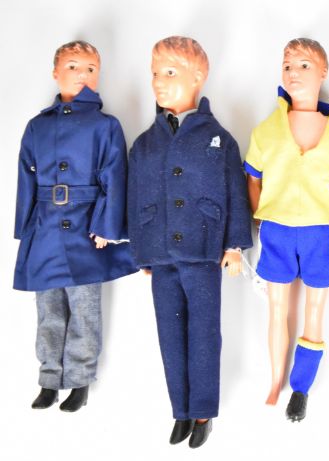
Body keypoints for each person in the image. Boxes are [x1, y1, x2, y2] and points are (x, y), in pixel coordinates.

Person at [127, 36, 252, 448]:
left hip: (203, 248)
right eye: (154, 74)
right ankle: (179, 410)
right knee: (169, 333)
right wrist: (141, 251)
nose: (159, 82)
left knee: (204, 333)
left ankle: (202, 411)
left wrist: (234, 245)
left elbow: (234, 190)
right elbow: (135, 196)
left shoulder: (219, 138)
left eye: (169, 73)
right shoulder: (145, 144)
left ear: (198, 77)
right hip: (160, 251)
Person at [14, 40, 137, 413]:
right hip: (45, 229)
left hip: (86, 229)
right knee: (48, 308)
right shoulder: (37, 126)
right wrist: (26, 229)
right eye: (72, 66)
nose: (82, 74)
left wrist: (107, 227)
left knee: (84, 308)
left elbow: (114, 177)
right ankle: (49, 378)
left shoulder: (105, 126)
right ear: (56, 73)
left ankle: (80, 380)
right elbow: (26, 178)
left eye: (90, 69)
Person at [244, 38, 329, 422]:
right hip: (276, 230)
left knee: (314, 309)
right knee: (276, 308)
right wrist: (258, 216)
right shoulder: (268, 129)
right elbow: (253, 178)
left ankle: (301, 387)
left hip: (320, 233)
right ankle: (275, 379)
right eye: (288, 66)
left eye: (304, 65)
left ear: (323, 72)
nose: (294, 73)